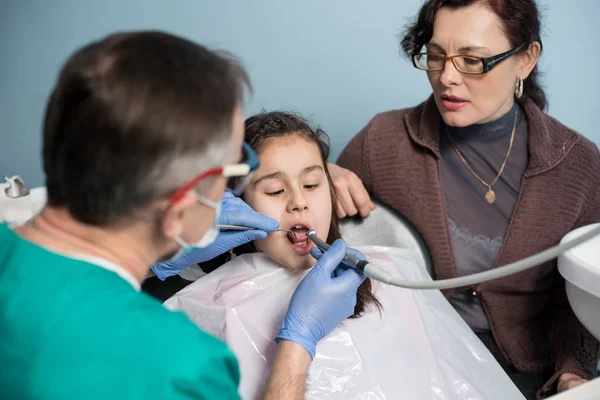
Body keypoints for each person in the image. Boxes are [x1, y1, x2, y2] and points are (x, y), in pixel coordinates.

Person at [0, 31, 366, 400]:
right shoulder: (181, 369)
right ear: (178, 208)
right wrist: (297, 344)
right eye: (234, 168)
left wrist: (157, 263)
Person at [327, 1, 600, 399]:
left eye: (473, 61)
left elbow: (580, 301)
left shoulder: (579, 166)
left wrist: (572, 373)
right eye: (436, 56)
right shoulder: (381, 141)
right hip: (399, 365)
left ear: (525, 59)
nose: (447, 78)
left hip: (523, 374)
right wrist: (316, 179)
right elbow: (317, 243)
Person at [164, 111, 524, 399]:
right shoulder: (214, 307)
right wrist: (299, 338)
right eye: (275, 189)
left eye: (311, 184)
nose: (299, 201)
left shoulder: (389, 273)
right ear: (237, 203)